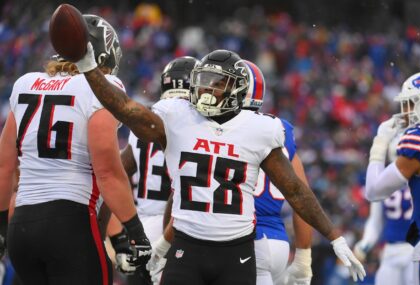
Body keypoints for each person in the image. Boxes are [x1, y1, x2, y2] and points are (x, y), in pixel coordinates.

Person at [72, 45, 365, 284]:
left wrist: (334, 236)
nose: (207, 91)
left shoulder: (257, 129)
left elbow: (295, 190)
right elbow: (124, 108)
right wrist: (88, 68)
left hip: (237, 254)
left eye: (218, 85)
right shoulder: (177, 117)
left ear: (237, 91)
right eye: (204, 82)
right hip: (187, 247)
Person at [0, 14, 151, 285]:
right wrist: (135, 232)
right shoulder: (101, 89)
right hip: (70, 224)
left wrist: (1, 228)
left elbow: (4, 165)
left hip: (21, 229)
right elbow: (107, 172)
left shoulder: (25, 83)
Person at [107, 56, 200, 285]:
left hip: (143, 229)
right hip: (177, 227)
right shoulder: (199, 121)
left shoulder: (146, 115)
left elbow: (119, 171)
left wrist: (118, 233)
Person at [242, 60, 313, 285]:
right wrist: (303, 256)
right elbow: (302, 197)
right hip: (278, 243)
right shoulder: (280, 129)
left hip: (244, 240)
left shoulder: (226, 131)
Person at [365, 71, 420, 284]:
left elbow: (373, 191)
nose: (406, 111)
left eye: (411, 103)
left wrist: (379, 145)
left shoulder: (418, 140)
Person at [354, 133, 413, 285]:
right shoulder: (384, 181)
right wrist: (366, 243)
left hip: (416, 249)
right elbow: (375, 221)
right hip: (390, 250)